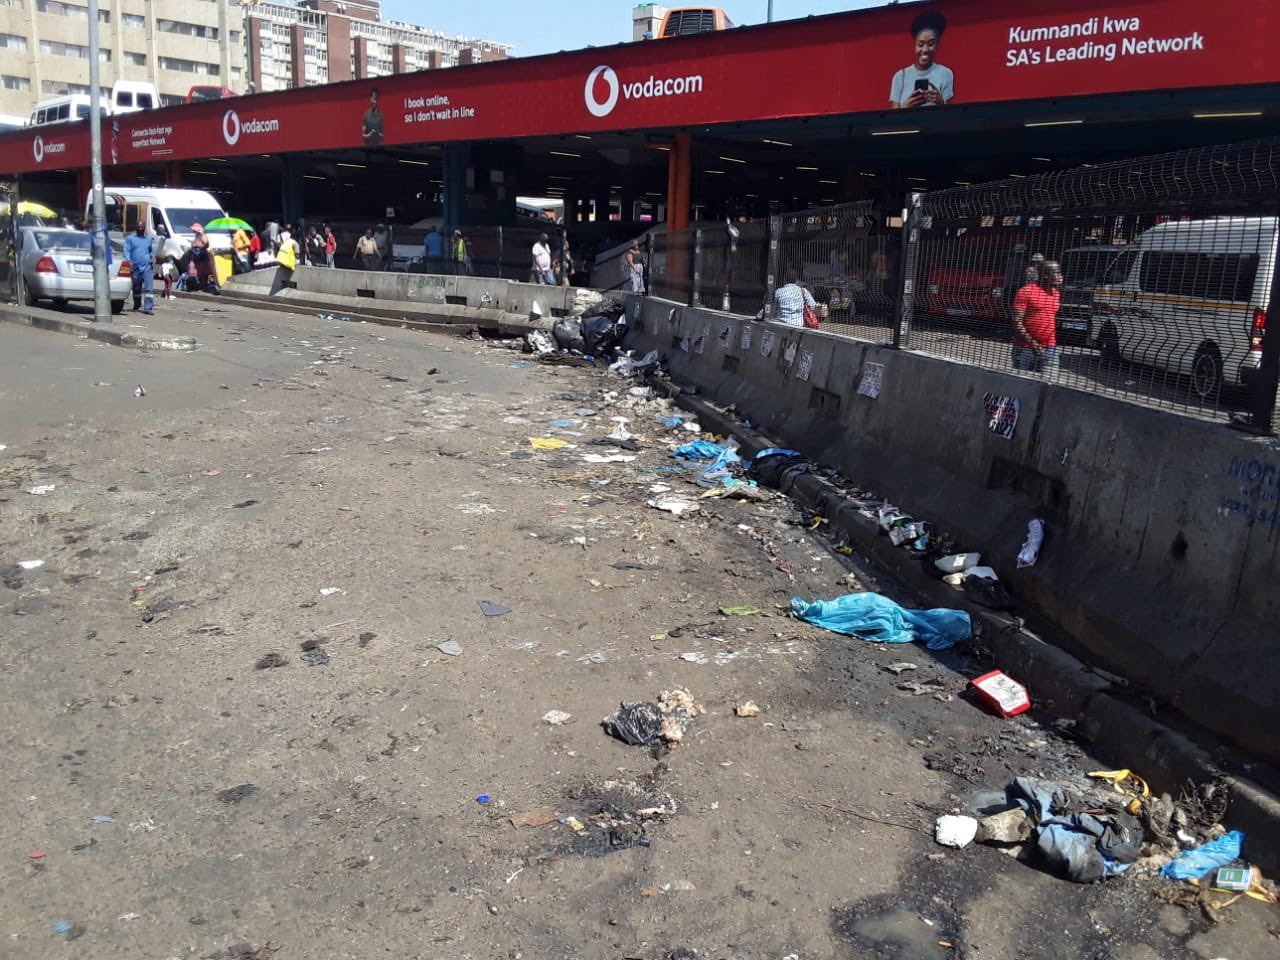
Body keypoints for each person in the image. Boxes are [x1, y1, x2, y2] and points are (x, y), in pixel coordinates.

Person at [890, 10, 953, 109]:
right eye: (920, 44)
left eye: (931, 44)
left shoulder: (945, 73)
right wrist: (906, 106)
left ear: (937, 45)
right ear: (914, 46)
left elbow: (952, 115)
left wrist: (941, 102)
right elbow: (892, 119)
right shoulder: (900, 76)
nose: (925, 50)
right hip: (907, 124)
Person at [1011, 259, 1063, 377]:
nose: (1060, 276)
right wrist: (1032, 343)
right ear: (1045, 276)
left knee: (1049, 385)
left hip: (1050, 347)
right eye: (1056, 273)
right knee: (1022, 386)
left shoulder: (1055, 293)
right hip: (1026, 348)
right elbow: (1017, 321)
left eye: (1060, 273)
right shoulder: (1026, 292)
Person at [122, 221, 155, 314]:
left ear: (144, 228)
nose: (140, 228)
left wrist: (153, 257)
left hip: (147, 266)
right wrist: (128, 260)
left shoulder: (148, 239)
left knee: (149, 288)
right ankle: (137, 303)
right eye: (139, 226)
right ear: (136, 228)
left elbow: (150, 251)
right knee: (136, 287)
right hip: (135, 266)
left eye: (142, 227)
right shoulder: (130, 239)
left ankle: (148, 308)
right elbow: (127, 250)